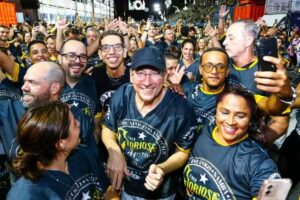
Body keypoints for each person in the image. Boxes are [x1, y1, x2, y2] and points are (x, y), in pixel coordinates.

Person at [102, 47, 197, 199]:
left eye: (155, 73)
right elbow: (108, 129)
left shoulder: (180, 109)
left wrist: (162, 168)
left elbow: (183, 151)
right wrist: (114, 151)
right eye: (140, 73)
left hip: (162, 193)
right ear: (131, 76)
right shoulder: (122, 95)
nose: (147, 82)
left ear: (165, 76)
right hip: (127, 187)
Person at [183, 86, 281, 199]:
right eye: (224, 112)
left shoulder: (261, 164)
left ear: (250, 119)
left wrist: (284, 98)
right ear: (216, 111)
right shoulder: (203, 132)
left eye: (240, 116)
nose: (230, 122)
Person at [7, 101, 116, 200]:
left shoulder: (83, 155)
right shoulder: (27, 194)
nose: (79, 124)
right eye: (74, 123)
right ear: (60, 143)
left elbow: (106, 190)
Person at [0, 61, 95, 162]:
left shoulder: (77, 120)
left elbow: (92, 164)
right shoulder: (8, 111)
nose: (24, 87)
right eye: (24, 81)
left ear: (54, 88)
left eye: (32, 82)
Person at [183, 47, 229, 129]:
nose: (214, 71)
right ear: (200, 69)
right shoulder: (186, 89)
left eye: (221, 67)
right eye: (208, 66)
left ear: (227, 72)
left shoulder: (234, 98)